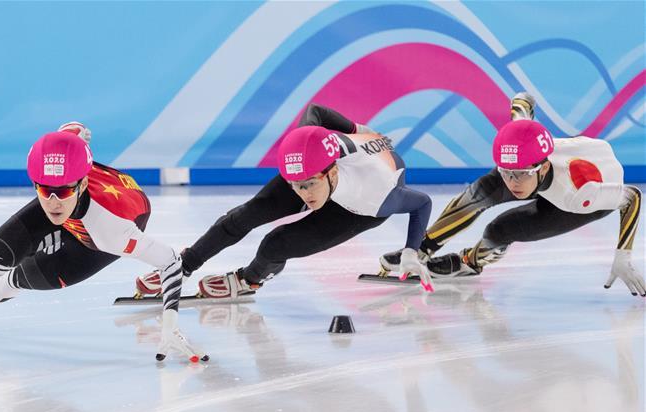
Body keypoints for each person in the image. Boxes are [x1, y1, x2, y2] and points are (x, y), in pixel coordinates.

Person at [0, 122, 208, 362]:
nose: (53, 201)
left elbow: (170, 261)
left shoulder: (114, 232)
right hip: (85, 208)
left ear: (80, 183)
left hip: (98, 236)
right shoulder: (59, 172)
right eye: (43, 190)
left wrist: (170, 323)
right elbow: (74, 134)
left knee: (22, 278)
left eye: (62, 191)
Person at [134, 104, 434, 298]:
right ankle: (184, 265)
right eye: (295, 186)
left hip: (359, 206)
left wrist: (411, 252)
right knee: (245, 216)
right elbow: (316, 111)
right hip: (333, 170)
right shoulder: (310, 162)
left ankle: (249, 280)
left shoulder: (377, 196)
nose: (303, 195)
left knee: (275, 244)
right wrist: (355, 130)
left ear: (331, 170)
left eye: (307, 186)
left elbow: (422, 204)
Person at [377, 93, 645, 296]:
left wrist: (623, 256)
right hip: (546, 172)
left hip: (580, 200)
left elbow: (632, 196)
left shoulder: (579, 192)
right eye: (506, 172)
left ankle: (469, 262)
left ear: (543, 168)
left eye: (520, 174)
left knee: (500, 229)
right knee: (479, 193)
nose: (512, 182)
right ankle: (424, 249)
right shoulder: (521, 142)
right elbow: (523, 104)